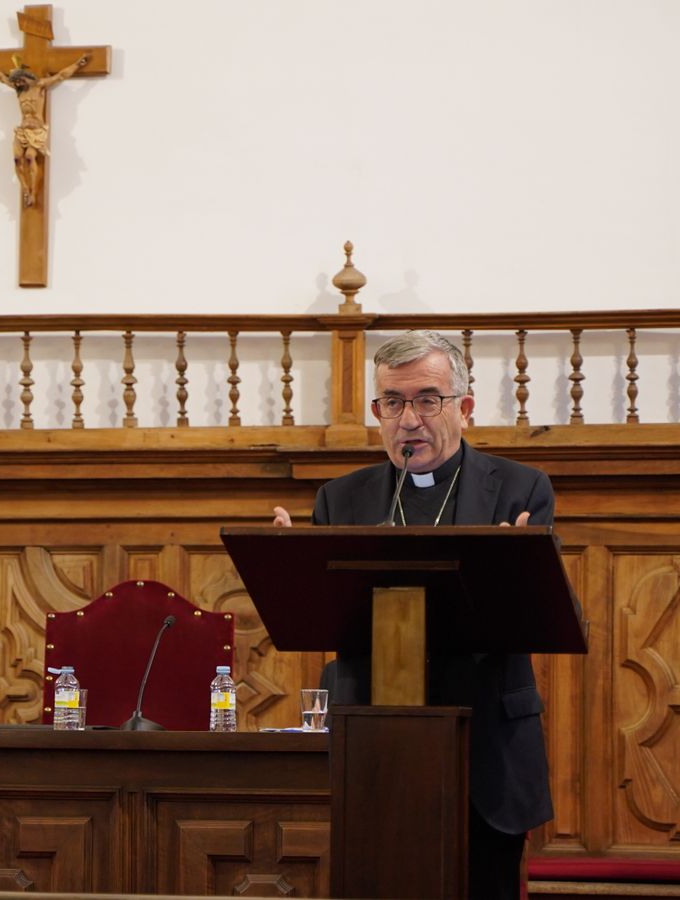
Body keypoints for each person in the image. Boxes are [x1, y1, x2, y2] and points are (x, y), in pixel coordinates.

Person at [272, 329, 556, 900]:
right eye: (393, 403)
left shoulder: (521, 489)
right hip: (372, 749)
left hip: (487, 749)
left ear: (465, 408)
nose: (409, 420)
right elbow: (327, 623)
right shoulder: (341, 499)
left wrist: (516, 573)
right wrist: (290, 572)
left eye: (428, 400)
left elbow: (548, 614)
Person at [0, 53, 90, 207]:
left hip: (36, 132)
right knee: (16, 159)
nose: (17, 83)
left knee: (29, 157)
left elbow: (61, 75)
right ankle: (26, 189)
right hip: (22, 131)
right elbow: (1, 77)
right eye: (16, 81)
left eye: (20, 80)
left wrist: (78, 64)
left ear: (26, 77)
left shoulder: (39, 86)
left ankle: (34, 192)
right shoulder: (19, 90)